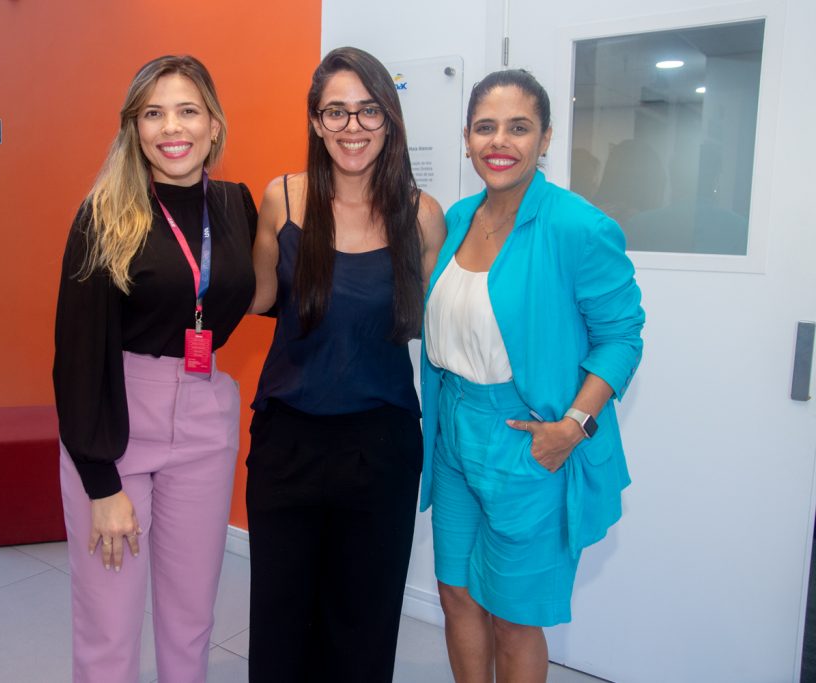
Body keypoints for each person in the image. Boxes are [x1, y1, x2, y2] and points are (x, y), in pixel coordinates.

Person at [420, 69, 645, 682]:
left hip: (527, 439)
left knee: (514, 616)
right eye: (486, 127)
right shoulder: (458, 219)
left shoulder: (578, 227)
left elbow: (622, 338)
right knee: (456, 592)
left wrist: (573, 426)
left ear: (545, 138)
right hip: (454, 436)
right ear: (466, 138)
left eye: (519, 128)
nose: (501, 142)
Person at [52, 55, 257, 683]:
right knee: (109, 626)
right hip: (116, 423)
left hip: (204, 417)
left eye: (188, 110)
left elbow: (253, 291)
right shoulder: (105, 213)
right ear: (134, 128)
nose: (173, 127)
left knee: (191, 620)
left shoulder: (235, 205)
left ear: (214, 125)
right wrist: (100, 482)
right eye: (154, 112)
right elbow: (77, 353)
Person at [246, 46, 446, 683]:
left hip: (380, 446)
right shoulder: (280, 199)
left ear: (389, 119)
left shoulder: (422, 216)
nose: (352, 127)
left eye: (367, 111)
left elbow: (434, 321)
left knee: (363, 622)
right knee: (281, 618)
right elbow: (256, 299)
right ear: (314, 120)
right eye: (336, 112)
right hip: (289, 442)